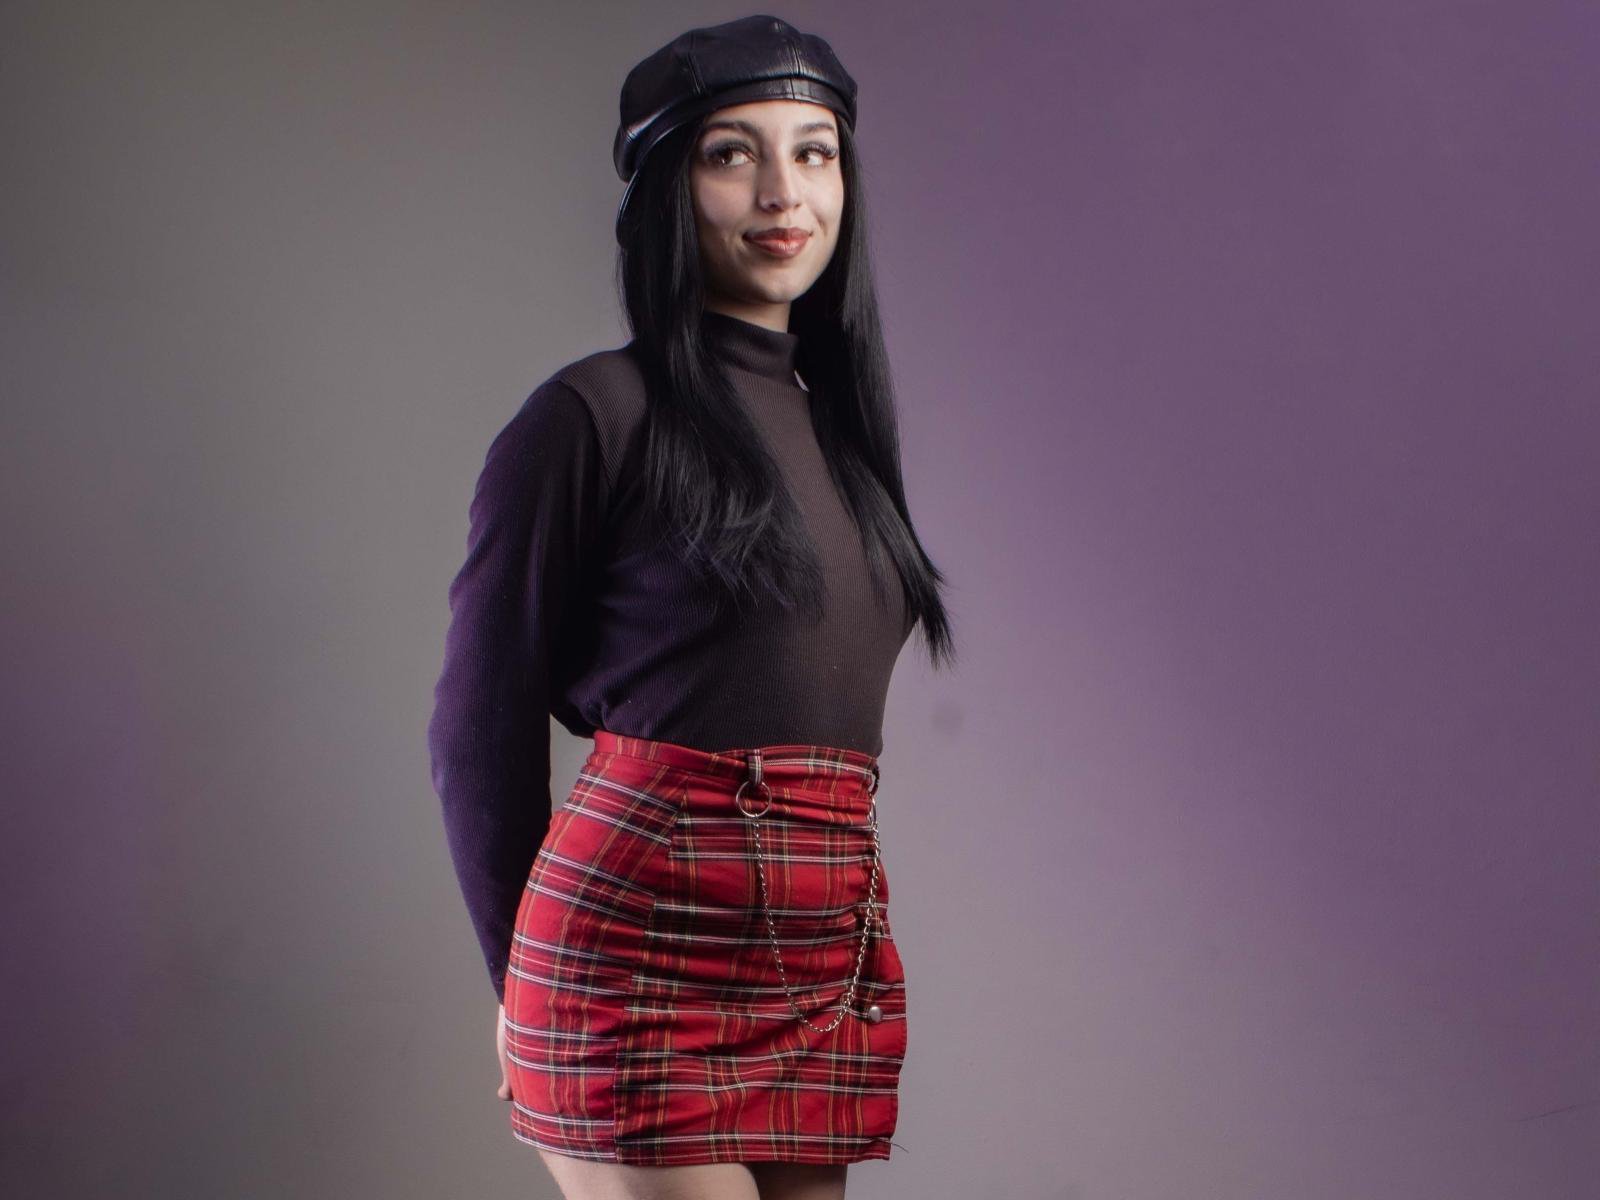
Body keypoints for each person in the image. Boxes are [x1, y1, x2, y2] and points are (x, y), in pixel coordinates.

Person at [426, 15, 955, 1200]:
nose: (782, 193)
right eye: (731, 154)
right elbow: (476, 726)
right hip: (633, 946)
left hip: (821, 957)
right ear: (669, 187)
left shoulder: (844, 437)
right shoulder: (591, 417)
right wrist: (513, 981)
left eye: (813, 153)